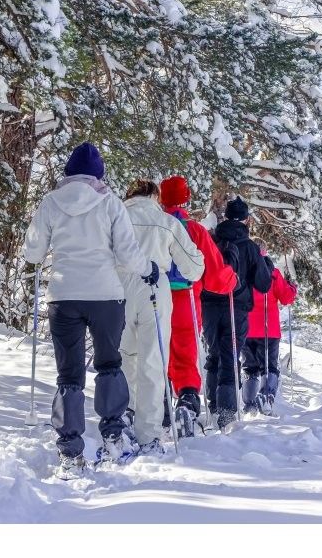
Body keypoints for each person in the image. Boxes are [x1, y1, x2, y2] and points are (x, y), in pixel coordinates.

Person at [23, 142, 158, 475]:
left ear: (68, 173)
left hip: (63, 296)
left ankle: (70, 452)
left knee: (69, 375)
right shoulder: (110, 203)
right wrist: (148, 269)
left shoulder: (51, 202)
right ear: (99, 175)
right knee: (109, 364)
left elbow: (32, 252)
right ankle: (113, 436)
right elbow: (127, 252)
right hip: (105, 297)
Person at [118, 179, 204, 455]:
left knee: (122, 356)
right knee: (153, 360)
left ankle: (122, 415)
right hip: (155, 286)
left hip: (117, 287)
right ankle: (149, 434)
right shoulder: (166, 222)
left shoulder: (116, 216)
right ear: (155, 196)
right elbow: (195, 267)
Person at [159, 175, 238, 437]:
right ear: (186, 199)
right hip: (187, 300)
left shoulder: (155, 225)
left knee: (156, 354)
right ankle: (187, 401)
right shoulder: (194, 230)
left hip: (155, 297)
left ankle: (159, 407)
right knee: (185, 354)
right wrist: (231, 279)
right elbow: (214, 275)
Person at [201, 196, 272, 429]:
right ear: (246, 220)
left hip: (210, 305)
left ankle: (213, 407)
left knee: (214, 354)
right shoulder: (249, 247)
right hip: (236, 306)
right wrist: (265, 264)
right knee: (230, 356)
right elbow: (263, 284)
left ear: (225, 217)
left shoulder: (213, 240)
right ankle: (227, 411)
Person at [240, 240, 297, 415]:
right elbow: (286, 298)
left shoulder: (242, 270)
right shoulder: (273, 273)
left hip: (246, 329)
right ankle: (266, 396)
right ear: (265, 252)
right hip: (268, 329)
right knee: (269, 366)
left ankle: (249, 404)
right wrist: (292, 287)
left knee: (249, 367)